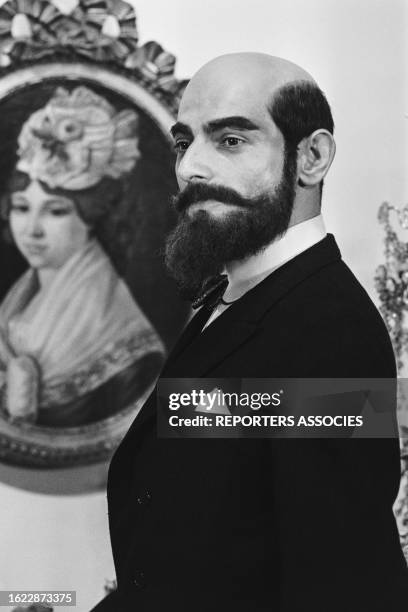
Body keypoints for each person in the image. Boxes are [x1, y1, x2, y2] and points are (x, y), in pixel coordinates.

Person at [91, 54, 408, 611]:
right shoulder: (231, 295)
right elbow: (206, 549)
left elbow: (346, 587)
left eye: (231, 140)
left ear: (311, 157)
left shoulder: (328, 333)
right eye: (184, 143)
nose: (192, 168)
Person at [0, 85, 165, 427]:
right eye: (21, 208)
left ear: (91, 218)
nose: (32, 229)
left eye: (56, 212)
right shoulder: (20, 301)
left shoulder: (124, 345)